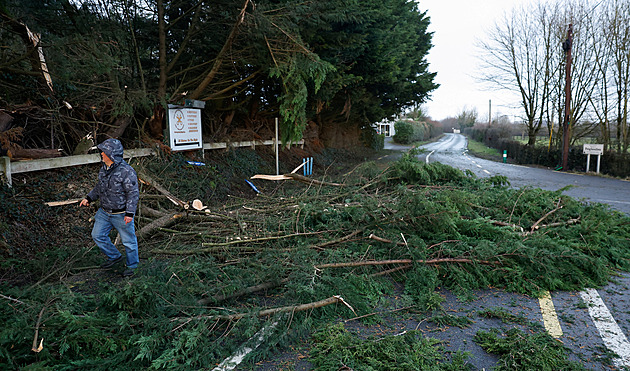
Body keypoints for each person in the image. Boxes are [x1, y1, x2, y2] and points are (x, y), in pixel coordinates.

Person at [80, 138, 139, 277]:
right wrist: (88, 198)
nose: (101, 154)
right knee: (97, 235)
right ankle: (115, 257)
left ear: (112, 154)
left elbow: (133, 193)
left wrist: (129, 213)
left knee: (129, 242)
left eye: (104, 152)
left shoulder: (126, 171)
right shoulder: (103, 169)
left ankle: (133, 266)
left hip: (121, 214)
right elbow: (99, 187)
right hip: (104, 212)